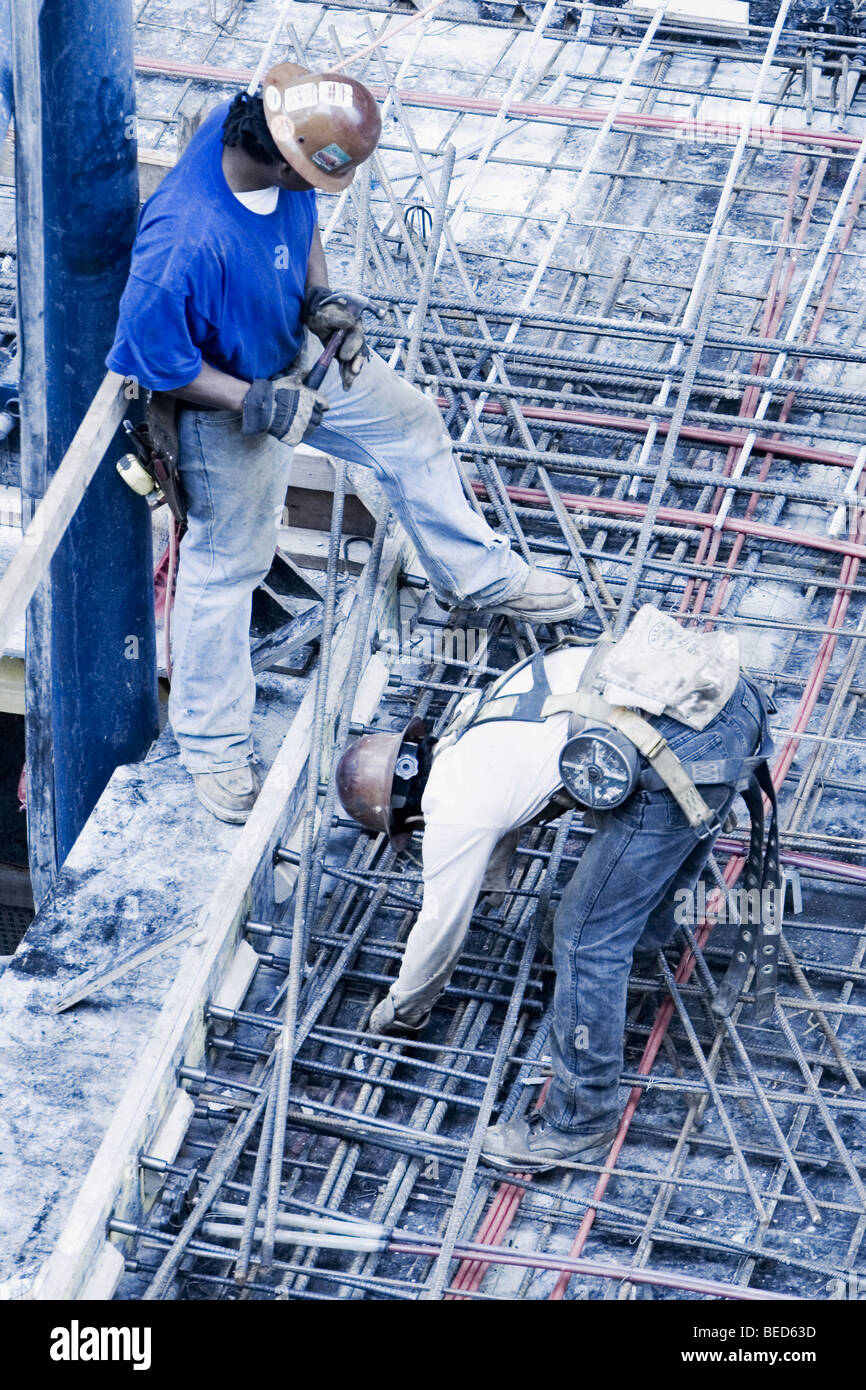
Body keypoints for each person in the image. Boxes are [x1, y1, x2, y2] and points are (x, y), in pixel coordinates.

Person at [107, 63, 583, 823]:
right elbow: (151, 361)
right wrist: (254, 401)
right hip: (224, 401)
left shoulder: (265, 141)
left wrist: (321, 299)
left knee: (411, 426)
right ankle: (213, 747)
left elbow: (306, 226)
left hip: (292, 351)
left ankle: (475, 573)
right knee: (226, 570)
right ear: (282, 155)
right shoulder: (183, 241)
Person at [335, 616, 775, 1172]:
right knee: (661, 834)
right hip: (728, 700)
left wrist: (403, 1011)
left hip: (682, 754)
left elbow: (439, 930)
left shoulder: (454, 808)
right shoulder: (477, 715)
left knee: (583, 940)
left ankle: (578, 1120)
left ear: (407, 813)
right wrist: (491, 889)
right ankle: (637, 943)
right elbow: (506, 808)